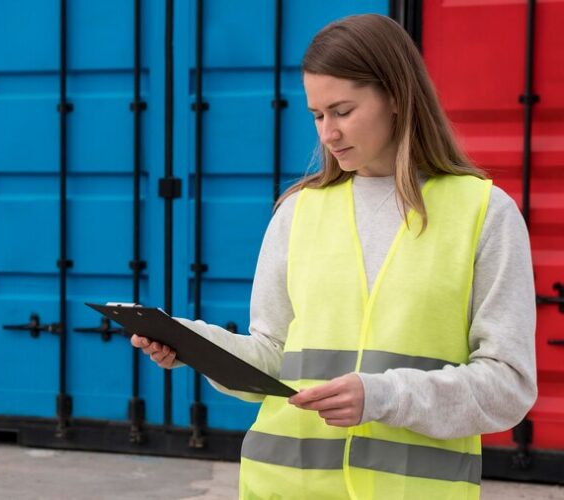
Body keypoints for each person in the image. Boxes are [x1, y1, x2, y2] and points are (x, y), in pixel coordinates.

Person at [130, 13, 537, 500]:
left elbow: (508, 386)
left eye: (342, 111)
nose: (328, 133)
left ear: (397, 98)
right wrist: (195, 345)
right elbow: (273, 360)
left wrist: (382, 397)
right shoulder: (298, 211)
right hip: (282, 486)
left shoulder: (483, 213)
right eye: (317, 115)